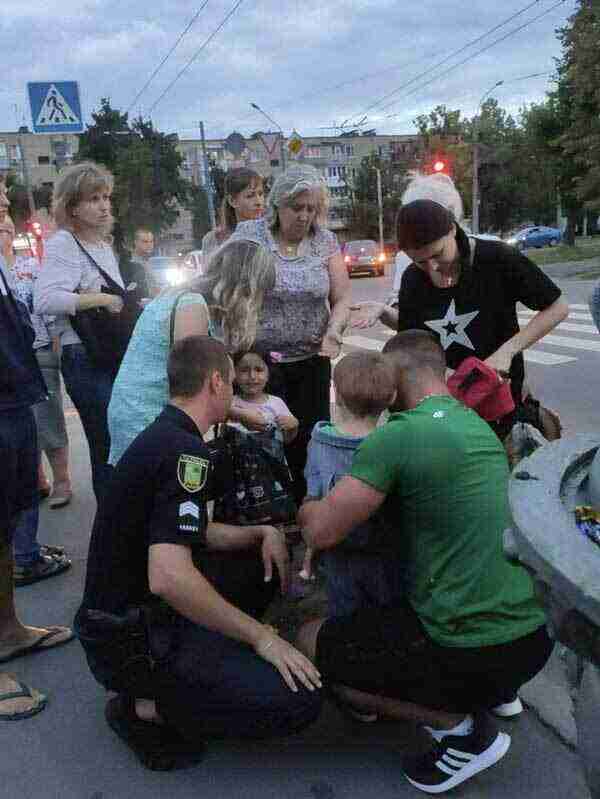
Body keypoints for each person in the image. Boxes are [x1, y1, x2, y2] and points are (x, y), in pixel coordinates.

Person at [296, 330, 553, 794]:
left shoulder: (399, 436)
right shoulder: (474, 423)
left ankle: (461, 730)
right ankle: (493, 694)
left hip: (472, 645)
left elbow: (321, 531)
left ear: (392, 381)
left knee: (312, 640)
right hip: (534, 636)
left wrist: (309, 504)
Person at [75, 336, 322, 769]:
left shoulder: (167, 433)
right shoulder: (184, 450)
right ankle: (144, 706)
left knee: (254, 564)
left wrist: (259, 533)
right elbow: (167, 576)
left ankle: (206, 660)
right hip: (131, 638)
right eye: (230, 379)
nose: (233, 388)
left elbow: (191, 530)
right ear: (215, 383)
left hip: (122, 618)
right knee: (298, 701)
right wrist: (261, 638)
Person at [356, 199, 568, 440]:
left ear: (453, 230)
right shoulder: (413, 279)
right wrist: (384, 312)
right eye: (421, 261)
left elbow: (557, 307)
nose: (433, 267)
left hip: (502, 401)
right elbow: (416, 335)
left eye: (438, 254)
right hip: (450, 406)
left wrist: (507, 352)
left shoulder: (496, 259)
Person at [230, 164, 352, 502]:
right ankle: (264, 508)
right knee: (261, 440)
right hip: (260, 364)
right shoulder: (251, 235)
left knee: (311, 437)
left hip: (312, 359)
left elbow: (341, 297)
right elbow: (231, 290)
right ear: (277, 206)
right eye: (296, 208)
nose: (304, 216)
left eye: (311, 209)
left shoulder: (325, 241)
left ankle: (308, 505)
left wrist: (334, 331)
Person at [0, 182, 73, 721]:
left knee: (5, 521)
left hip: (10, 401)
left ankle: (8, 631)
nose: (6, 211)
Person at [107, 238, 277, 465]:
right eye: (259, 294)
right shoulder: (192, 307)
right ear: (243, 286)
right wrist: (242, 415)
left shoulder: (181, 296)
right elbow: (193, 387)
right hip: (147, 415)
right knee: (157, 490)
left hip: (138, 410)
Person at [34, 161, 126, 501]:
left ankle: (121, 520)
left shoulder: (101, 244)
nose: (103, 205)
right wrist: (100, 298)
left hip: (108, 352)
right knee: (106, 442)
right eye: (93, 199)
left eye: (106, 197)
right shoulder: (64, 243)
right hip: (83, 355)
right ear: (72, 206)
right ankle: (112, 531)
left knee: (119, 439)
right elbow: (44, 298)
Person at [302, 351, 404, 621]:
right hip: (388, 550)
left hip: (338, 550)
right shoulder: (396, 442)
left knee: (344, 613)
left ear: (335, 393)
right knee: (390, 612)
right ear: (392, 397)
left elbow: (312, 494)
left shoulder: (319, 440)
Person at [10, 251, 72, 510]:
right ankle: (37, 479)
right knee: (19, 421)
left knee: (48, 417)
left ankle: (62, 481)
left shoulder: (30, 266)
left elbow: (46, 305)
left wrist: (55, 344)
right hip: (7, 355)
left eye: (7, 227)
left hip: (38, 348)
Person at [228, 347, 298, 463]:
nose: (252, 376)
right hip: (234, 469)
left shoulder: (276, 403)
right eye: (244, 370)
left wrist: (293, 426)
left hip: (270, 471)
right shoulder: (229, 403)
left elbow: (286, 440)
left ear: (268, 374)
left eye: (259, 370)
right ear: (234, 374)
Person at [201, 167, 265, 265]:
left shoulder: (271, 233)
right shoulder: (214, 239)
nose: (258, 202)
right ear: (232, 201)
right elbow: (210, 275)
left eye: (260, 194)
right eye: (250, 196)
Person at [120, 227, 159, 301]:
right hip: (138, 307)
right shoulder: (128, 263)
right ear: (136, 242)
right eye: (145, 242)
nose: (149, 245)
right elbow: (128, 289)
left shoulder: (148, 261)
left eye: (151, 241)